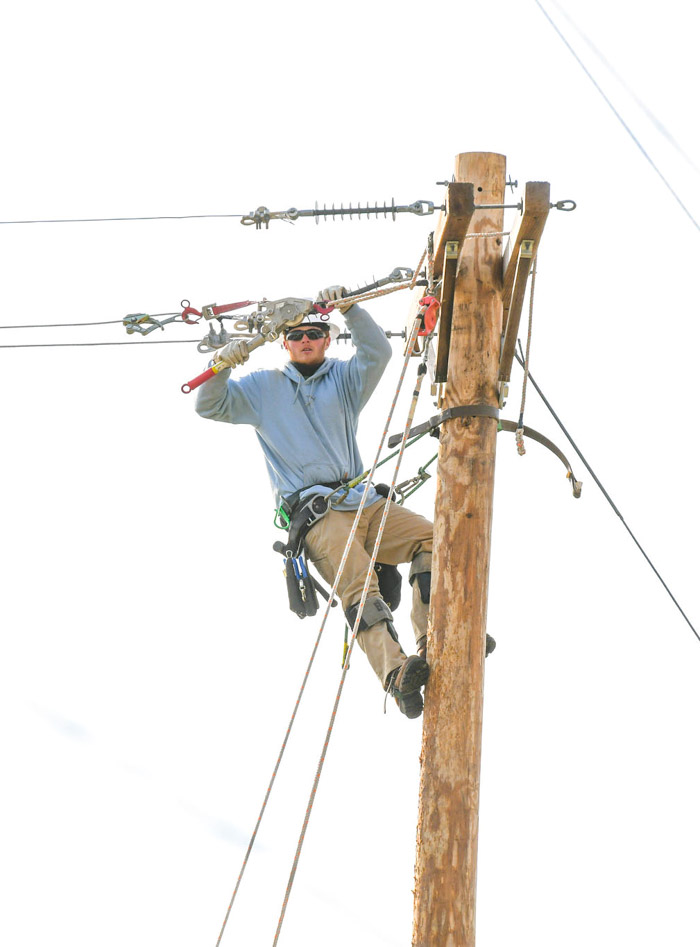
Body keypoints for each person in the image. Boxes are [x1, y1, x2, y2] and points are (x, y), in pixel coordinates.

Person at [194, 287, 434, 719]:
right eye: (297, 334)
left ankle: (435, 638)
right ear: (285, 343)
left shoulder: (345, 380)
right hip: (318, 514)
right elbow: (209, 405)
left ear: (327, 339)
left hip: (362, 501)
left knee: (435, 540)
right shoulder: (261, 389)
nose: (305, 339)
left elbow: (378, 352)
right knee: (361, 587)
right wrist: (220, 367)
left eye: (314, 333)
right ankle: (397, 675)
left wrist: (349, 307)